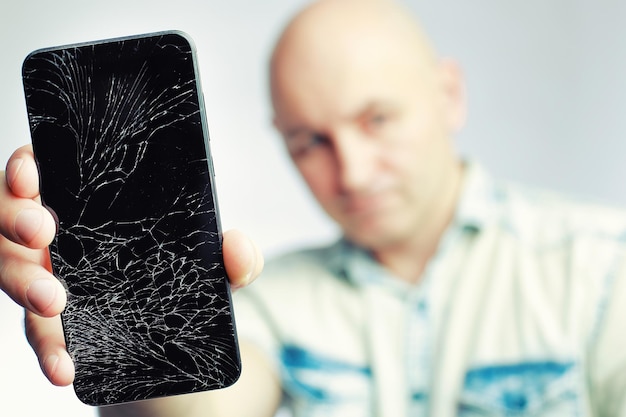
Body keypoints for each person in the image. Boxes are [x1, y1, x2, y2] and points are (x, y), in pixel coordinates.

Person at [2, 0, 626, 416]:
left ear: (449, 95)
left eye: (377, 119)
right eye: (311, 142)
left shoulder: (605, 265)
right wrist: (131, 340)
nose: (351, 173)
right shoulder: (267, 300)